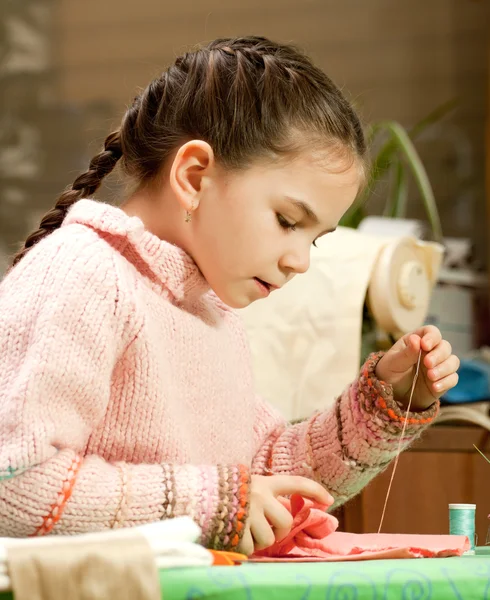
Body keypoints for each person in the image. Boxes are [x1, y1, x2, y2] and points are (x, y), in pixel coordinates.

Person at [0, 36, 459, 556]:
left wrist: (386, 404)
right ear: (194, 176)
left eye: (315, 238)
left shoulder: (209, 308)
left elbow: (261, 478)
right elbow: (13, 485)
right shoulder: (83, 274)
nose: (300, 260)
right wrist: (213, 504)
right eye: (288, 221)